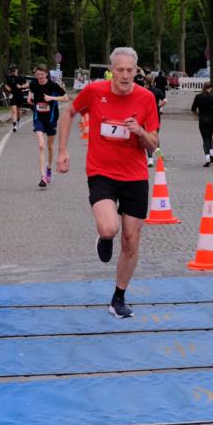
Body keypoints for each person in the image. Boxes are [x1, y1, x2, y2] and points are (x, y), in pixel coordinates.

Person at [56, 46, 159, 318]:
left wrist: (140, 132)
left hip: (135, 176)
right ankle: (104, 236)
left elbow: (154, 143)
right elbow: (68, 113)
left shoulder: (146, 98)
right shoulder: (95, 91)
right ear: (111, 70)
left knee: (131, 241)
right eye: (120, 70)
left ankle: (118, 297)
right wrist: (63, 151)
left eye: (130, 70)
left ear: (137, 72)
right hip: (101, 172)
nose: (125, 75)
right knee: (110, 228)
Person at [28, 63, 68, 188]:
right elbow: (31, 91)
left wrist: (51, 98)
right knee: (41, 145)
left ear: (46, 74)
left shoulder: (52, 85)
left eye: (42, 74)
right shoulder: (33, 84)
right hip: (38, 118)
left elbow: (66, 98)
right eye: (37, 74)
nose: (39, 76)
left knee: (50, 147)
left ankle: (49, 168)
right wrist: (29, 97)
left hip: (51, 119)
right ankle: (43, 176)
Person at [190, 81, 213, 166]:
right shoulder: (212, 97)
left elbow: (193, 109)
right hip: (212, 120)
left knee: (205, 138)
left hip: (202, 120)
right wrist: (212, 111)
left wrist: (197, 115)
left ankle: (207, 157)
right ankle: (211, 154)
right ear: (210, 88)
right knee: (210, 137)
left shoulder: (198, 97)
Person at [144, 74, 166, 166]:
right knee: (155, 135)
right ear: (153, 81)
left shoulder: (143, 91)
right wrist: (159, 106)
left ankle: (150, 159)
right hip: (156, 115)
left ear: (145, 81)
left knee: (148, 137)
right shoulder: (157, 91)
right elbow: (165, 100)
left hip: (145, 116)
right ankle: (159, 155)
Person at [4, 64, 28, 131]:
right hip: (12, 95)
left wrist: (21, 86)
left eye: (14, 70)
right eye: (11, 70)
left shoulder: (21, 77)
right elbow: (6, 85)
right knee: (13, 111)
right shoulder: (9, 77)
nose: (13, 72)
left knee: (18, 110)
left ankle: (19, 121)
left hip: (19, 95)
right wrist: (8, 89)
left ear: (17, 70)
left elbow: (27, 84)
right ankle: (14, 126)